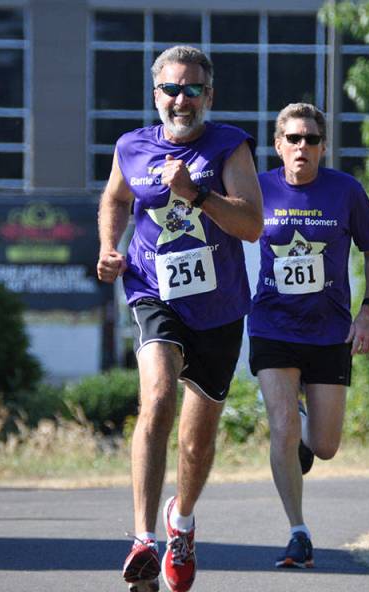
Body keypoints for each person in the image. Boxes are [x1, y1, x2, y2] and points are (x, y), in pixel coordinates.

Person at [97, 45, 263, 592]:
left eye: (192, 89)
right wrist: (109, 246)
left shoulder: (230, 145)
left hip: (218, 308)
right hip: (153, 292)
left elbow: (252, 224)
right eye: (171, 88)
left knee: (196, 441)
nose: (180, 99)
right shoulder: (132, 146)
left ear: (208, 96)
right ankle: (144, 539)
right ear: (155, 94)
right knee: (158, 396)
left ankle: (182, 521)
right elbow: (116, 199)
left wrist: (198, 194)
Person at [248, 103, 369, 567]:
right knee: (282, 428)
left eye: (310, 139)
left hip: (328, 331)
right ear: (278, 145)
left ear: (323, 146)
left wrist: (368, 310)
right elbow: (219, 232)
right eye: (293, 138)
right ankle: (298, 531)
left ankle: (305, 431)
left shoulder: (345, 191)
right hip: (272, 325)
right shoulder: (258, 189)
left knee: (323, 447)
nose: (301, 147)